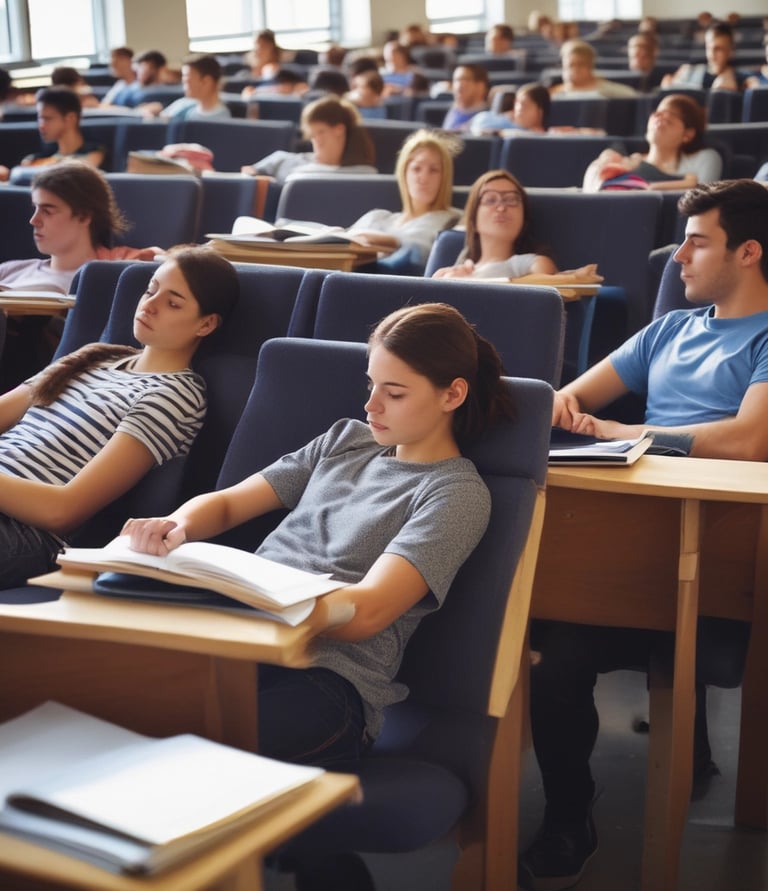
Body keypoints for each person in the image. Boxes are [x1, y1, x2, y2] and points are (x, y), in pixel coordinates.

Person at [122, 301, 515, 766]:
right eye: (371, 385)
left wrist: (251, 595)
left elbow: (365, 613)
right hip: (240, 646)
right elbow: (228, 503)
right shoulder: (346, 440)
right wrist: (178, 525)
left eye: (395, 393)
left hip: (327, 684)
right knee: (104, 700)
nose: (371, 405)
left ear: (452, 395)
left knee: (188, 747)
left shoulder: (456, 494)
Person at [518, 179, 768, 891]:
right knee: (552, 656)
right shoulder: (669, 329)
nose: (677, 256)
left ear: (749, 252)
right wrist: (561, 410)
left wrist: (630, 431)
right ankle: (571, 815)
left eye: (698, 242)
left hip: (714, 556)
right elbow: (570, 399)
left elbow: (752, 441)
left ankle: (692, 748)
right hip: (621, 546)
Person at [0, 244, 239, 590]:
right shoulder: (93, 358)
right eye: (150, 290)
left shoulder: (175, 394)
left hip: (28, 534)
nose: (149, 305)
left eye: (172, 303)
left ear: (206, 324)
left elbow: (63, 511)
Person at [432, 169, 602, 287]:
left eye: (512, 200)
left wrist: (467, 284)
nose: (501, 207)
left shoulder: (531, 263)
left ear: (524, 219)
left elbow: (545, 293)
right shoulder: (456, 269)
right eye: (491, 200)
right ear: (473, 220)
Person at [344, 129, 461, 274]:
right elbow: (338, 244)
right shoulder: (377, 218)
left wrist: (390, 241)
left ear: (445, 177)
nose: (423, 178)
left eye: (434, 170)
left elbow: (418, 256)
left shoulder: (454, 221)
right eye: (416, 169)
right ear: (404, 173)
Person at [582, 94, 722, 192]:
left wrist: (647, 187)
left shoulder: (705, 158)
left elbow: (702, 199)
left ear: (688, 134)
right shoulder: (625, 160)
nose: (659, 117)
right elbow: (593, 191)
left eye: (670, 115)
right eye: (657, 113)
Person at [240, 95, 376, 182]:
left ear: (339, 129)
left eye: (321, 132)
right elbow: (247, 174)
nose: (317, 141)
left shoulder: (363, 174)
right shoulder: (283, 160)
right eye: (312, 136)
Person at [19, 87, 105, 171]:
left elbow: (83, 171)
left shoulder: (94, 153)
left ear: (71, 118)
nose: (41, 125)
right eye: (40, 118)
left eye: (48, 119)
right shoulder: (36, 159)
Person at [141, 54, 230, 121]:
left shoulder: (221, 117)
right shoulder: (185, 103)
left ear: (206, 81)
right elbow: (161, 121)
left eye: (187, 78)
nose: (183, 81)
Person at [662, 21, 746, 91]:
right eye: (709, 48)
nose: (712, 54)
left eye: (719, 49)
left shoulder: (742, 78)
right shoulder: (689, 72)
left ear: (730, 51)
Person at [550, 40, 636, 98]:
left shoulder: (611, 91)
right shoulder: (554, 94)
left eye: (580, 65)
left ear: (590, 66)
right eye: (570, 65)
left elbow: (633, 96)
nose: (575, 70)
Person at [470, 82, 550, 134]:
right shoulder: (492, 118)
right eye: (517, 103)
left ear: (540, 111)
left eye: (525, 105)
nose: (519, 109)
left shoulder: (544, 135)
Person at [441, 63, 490, 131]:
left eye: (464, 79)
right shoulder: (453, 111)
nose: (458, 85)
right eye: (456, 80)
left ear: (480, 85)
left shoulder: (489, 118)